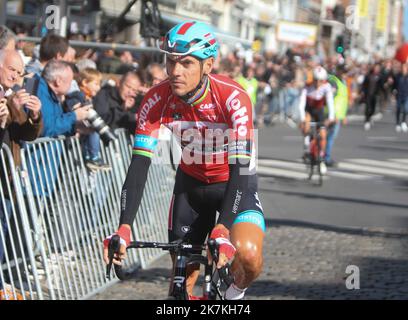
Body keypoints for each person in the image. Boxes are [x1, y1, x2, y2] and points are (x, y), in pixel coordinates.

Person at [103, 21, 265, 300]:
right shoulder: (157, 99)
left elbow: (240, 167)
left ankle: (233, 296)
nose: (176, 72)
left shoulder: (233, 97)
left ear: (208, 65)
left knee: (248, 255)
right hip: (191, 186)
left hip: (234, 183)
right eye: (170, 62)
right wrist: (124, 225)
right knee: (181, 284)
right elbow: (140, 164)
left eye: (187, 63)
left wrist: (224, 226)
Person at [66, 68, 111, 171]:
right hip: (75, 129)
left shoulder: (86, 97)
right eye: (96, 84)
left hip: (81, 133)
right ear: (85, 82)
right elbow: (71, 108)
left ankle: (89, 156)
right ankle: (93, 157)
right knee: (93, 130)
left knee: (93, 129)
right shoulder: (77, 95)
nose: (98, 87)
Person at [298, 66, 335, 175]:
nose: (318, 83)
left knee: (323, 135)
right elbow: (301, 104)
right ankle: (306, 150)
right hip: (309, 111)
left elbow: (330, 102)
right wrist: (302, 120)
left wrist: (331, 117)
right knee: (306, 127)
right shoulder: (307, 87)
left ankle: (321, 157)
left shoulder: (326, 87)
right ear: (313, 79)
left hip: (319, 112)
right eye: (316, 80)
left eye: (321, 81)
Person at [93, 70, 145, 135]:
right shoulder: (104, 94)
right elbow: (102, 120)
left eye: (134, 90)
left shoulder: (133, 102)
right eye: (128, 86)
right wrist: (122, 109)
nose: (130, 92)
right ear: (119, 83)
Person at [325, 67, 349, 167]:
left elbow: (343, 100)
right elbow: (331, 98)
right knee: (329, 137)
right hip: (332, 114)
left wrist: (344, 116)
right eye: (343, 73)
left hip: (338, 115)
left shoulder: (343, 82)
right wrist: (333, 114)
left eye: (346, 73)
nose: (345, 75)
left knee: (330, 137)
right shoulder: (333, 81)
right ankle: (326, 157)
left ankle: (323, 155)